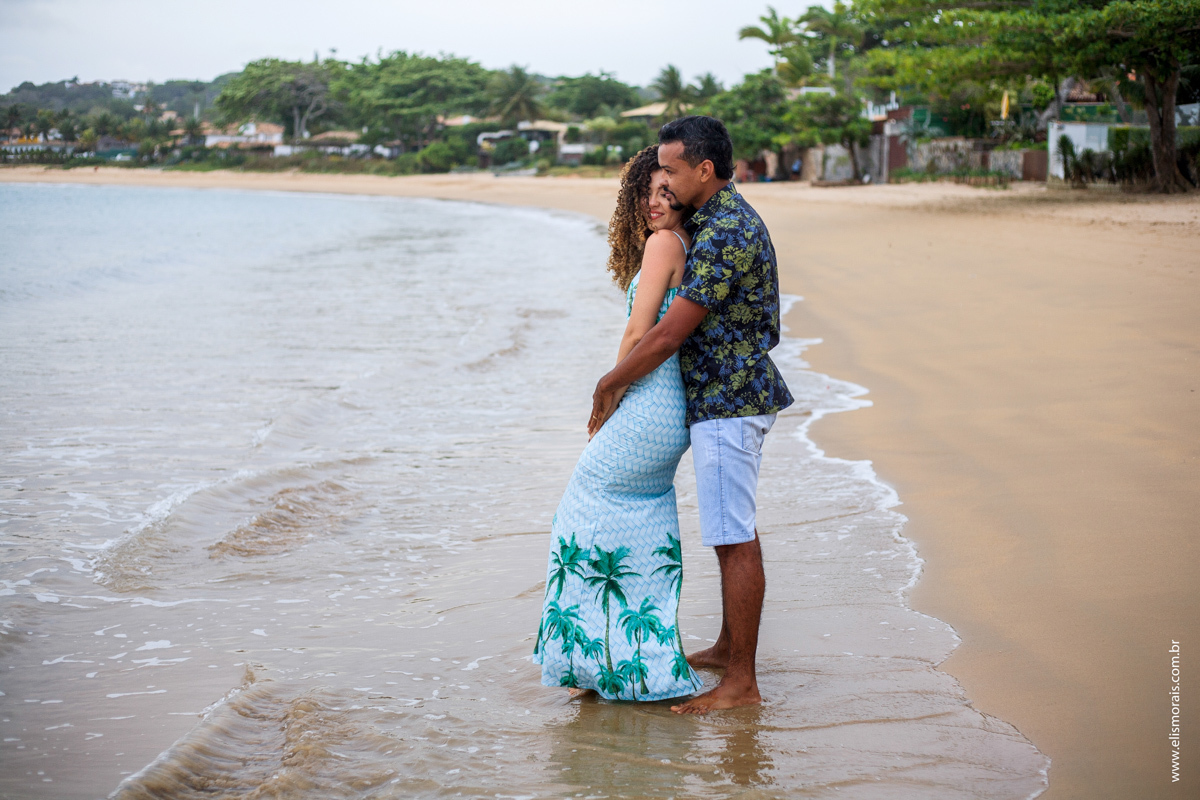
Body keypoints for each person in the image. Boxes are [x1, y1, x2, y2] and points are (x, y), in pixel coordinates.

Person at [588, 115, 794, 714]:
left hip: (730, 401)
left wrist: (608, 384)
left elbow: (669, 334)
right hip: (721, 397)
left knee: (734, 539)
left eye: (673, 171)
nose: (667, 183)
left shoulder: (726, 228)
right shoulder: (712, 218)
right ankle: (731, 648)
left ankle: (742, 684)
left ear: (705, 170)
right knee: (730, 533)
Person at [532, 145, 702, 701]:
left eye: (665, 190)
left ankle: (602, 664)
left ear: (683, 192)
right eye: (645, 192)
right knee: (640, 524)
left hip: (650, 404)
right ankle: (635, 663)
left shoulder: (662, 245)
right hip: (672, 409)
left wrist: (610, 393)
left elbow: (637, 334)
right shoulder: (687, 242)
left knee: (581, 510)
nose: (655, 202)